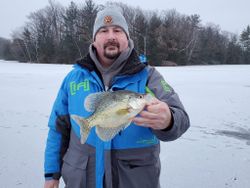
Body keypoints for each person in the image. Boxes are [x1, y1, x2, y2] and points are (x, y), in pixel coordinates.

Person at [44, 6, 190, 188]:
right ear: (94, 39)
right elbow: (58, 129)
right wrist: (51, 175)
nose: (111, 36)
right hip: (81, 180)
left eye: (117, 30)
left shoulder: (148, 77)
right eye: (104, 31)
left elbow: (182, 119)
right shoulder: (73, 79)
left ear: (127, 38)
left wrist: (169, 120)